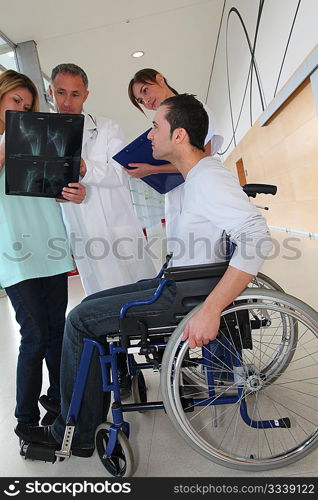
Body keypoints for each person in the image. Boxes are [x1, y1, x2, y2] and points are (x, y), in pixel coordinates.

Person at [14, 94, 273, 456]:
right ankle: (83, 421)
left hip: (185, 295)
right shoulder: (194, 176)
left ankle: (72, 434)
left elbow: (257, 238)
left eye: (155, 127)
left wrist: (212, 309)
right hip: (178, 283)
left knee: (80, 320)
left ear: (179, 135)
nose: (149, 136)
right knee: (89, 305)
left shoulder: (209, 178)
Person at [0, 70, 85, 431]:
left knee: (55, 334)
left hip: (49, 247)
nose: (22, 108)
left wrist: (73, 188)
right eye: (16, 101)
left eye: (28, 105)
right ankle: (26, 421)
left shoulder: (37, 141)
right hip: (15, 253)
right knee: (33, 336)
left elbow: (52, 190)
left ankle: (58, 404)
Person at [49, 64, 156, 297]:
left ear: (85, 95)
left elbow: (119, 173)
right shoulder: (46, 137)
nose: (67, 101)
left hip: (118, 231)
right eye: (61, 92)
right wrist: (61, 196)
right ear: (50, 92)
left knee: (141, 299)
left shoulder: (108, 128)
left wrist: (84, 165)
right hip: (84, 236)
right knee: (101, 304)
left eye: (75, 94)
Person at [127, 68, 224, 239]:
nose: (147, 101)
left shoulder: (196, 111)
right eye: (141, 101)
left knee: (204, 248)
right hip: (175, 193)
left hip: (199, 192)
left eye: (145, 90)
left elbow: (201, 157)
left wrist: (152, 169)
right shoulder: (162, 126)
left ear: (160, 79)